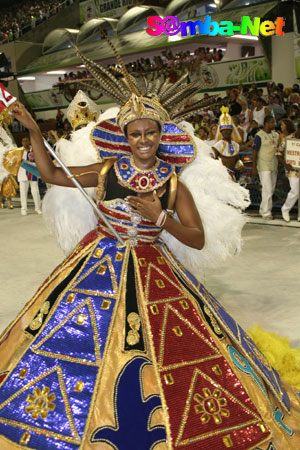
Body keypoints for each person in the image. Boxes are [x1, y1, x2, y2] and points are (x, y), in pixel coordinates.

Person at [0, 58, 299, 450]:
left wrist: (162, 218)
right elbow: (55, 175)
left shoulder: (174, 184)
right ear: (124, 136)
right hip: (95, 264)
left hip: (153, 269)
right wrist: (35, 131)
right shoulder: (107, 169)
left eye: (150, 132)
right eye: (135, 133)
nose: (143, 140)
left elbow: (196, 238)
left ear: (161, 135)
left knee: (168, 354)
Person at [252, 116, 279, 219]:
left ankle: (263, 209)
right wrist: (254, 167)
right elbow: (254, 152)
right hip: (263, 165)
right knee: (266, 188)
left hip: (274, 164)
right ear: (266, 123)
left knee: (271, 189)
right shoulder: (259, 136)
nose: (274, 124)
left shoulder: (276, 135)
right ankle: (266, 212)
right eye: (272, 122)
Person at [276, 119, 299, 222]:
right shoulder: (288, 139)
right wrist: (285, 165)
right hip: (292, 170)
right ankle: (285, 209)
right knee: (295, 190)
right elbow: (278, 153)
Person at [213, 106, 244, 179]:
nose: (226, 132)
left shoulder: (235, 145)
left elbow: (237, 159)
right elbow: (213, 161)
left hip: (233, 175)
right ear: (221, 132)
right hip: (221, 176)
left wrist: (240, 164)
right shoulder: (217, 146)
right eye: (224, 130)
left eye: (228, 130)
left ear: (231, 131)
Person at [17, 136, 42, 216]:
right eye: (23, 141)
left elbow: (38, 160)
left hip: (33, 173)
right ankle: (24, 209)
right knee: (23, 193)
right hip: (23, 174)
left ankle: (37, 208)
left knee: (36, 192)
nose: (25, 142)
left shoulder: (33, 150)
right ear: (21, 142)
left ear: (29, 142)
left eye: (26, 141)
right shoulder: (18, 151)